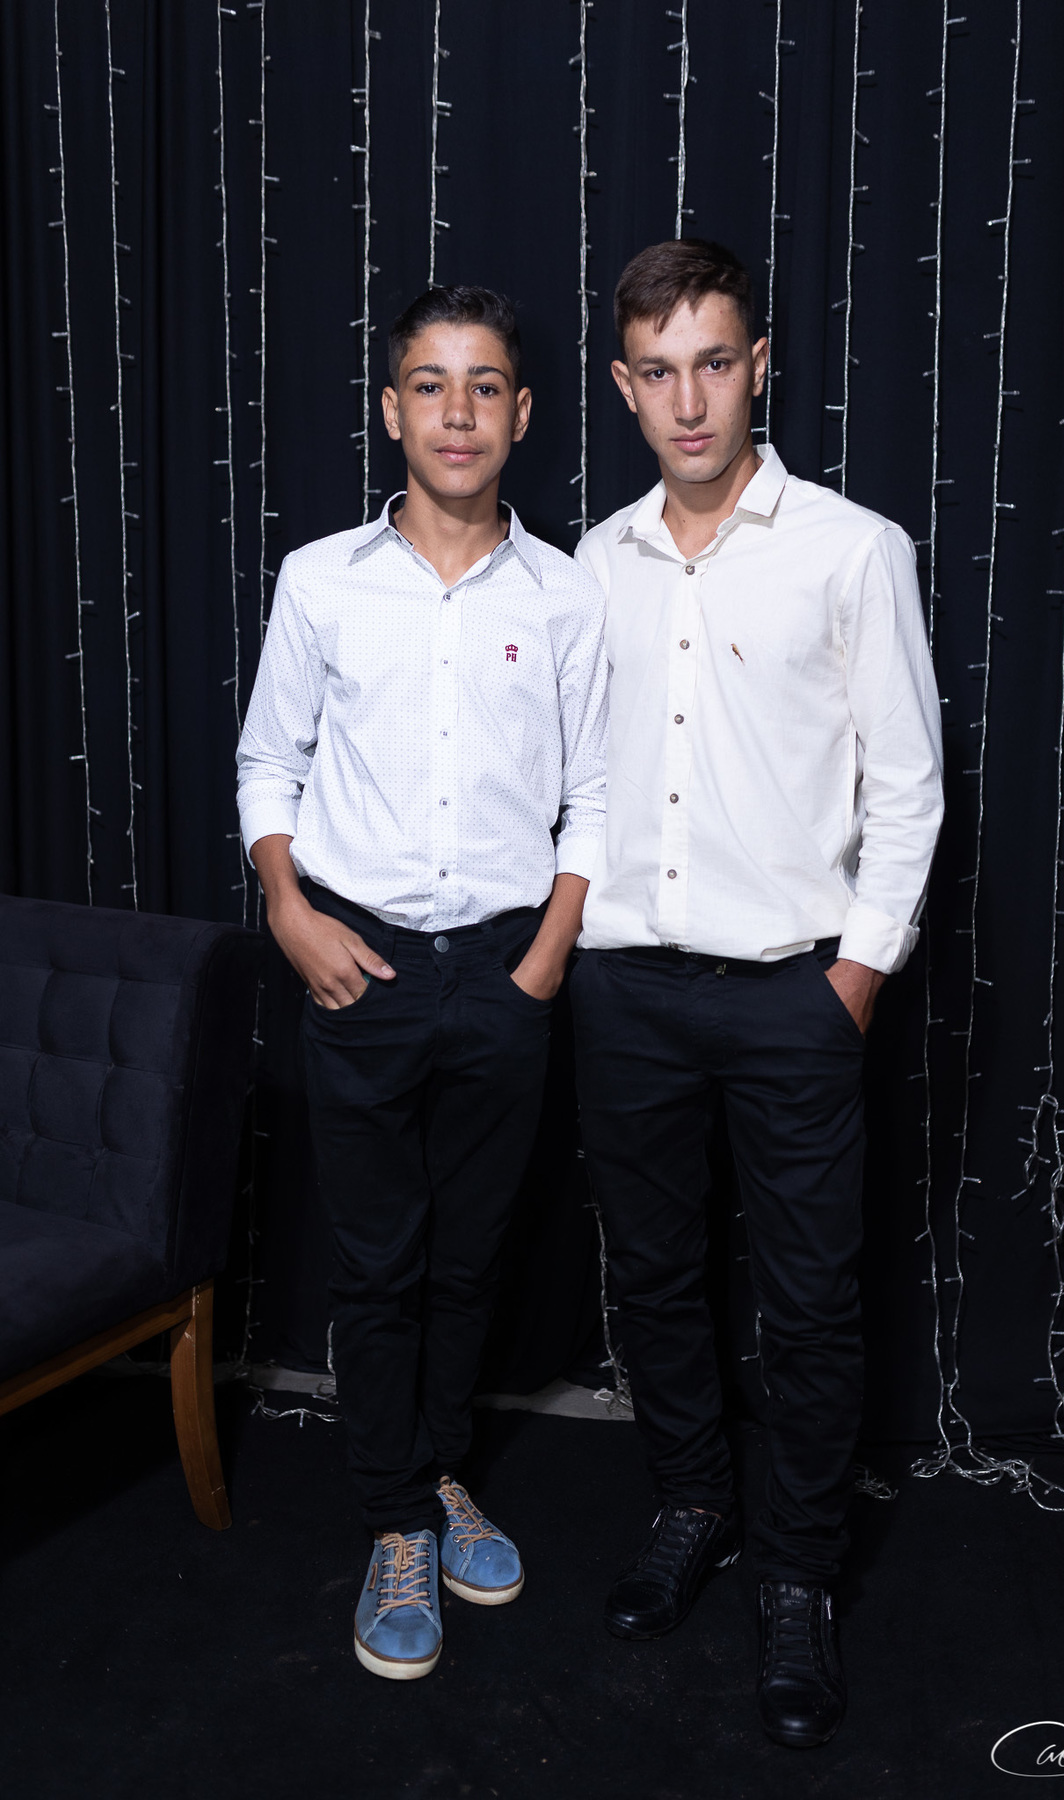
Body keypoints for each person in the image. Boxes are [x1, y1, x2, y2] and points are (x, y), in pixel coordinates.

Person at [570, 239, 943, 1749]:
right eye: (659, 372)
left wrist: (853, 977)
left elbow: (908, 786)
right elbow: (584, 778)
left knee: (810, 1301)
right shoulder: (596, 560)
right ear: (623, 387)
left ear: (760, 366)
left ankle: (798, 1572)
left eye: (714, 364)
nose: (690, 402)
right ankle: (692, 1503)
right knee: (655, 1278)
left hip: (794, 994)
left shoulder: (854, 549)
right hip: (626, 991)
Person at [236, 285, 607, 1681]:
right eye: (432, 386)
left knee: (470, 1256)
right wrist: (288, 909)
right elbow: (268, 762)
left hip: (505, 974)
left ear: (522, 412)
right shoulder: (320, 580)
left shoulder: (565, 593)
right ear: (392, 411)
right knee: (377, 1260)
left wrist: (543, 961)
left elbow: (595, 791)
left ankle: (441, 1471)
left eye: (486, 385)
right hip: (360, 969)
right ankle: (394, 1518)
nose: (460, 413)